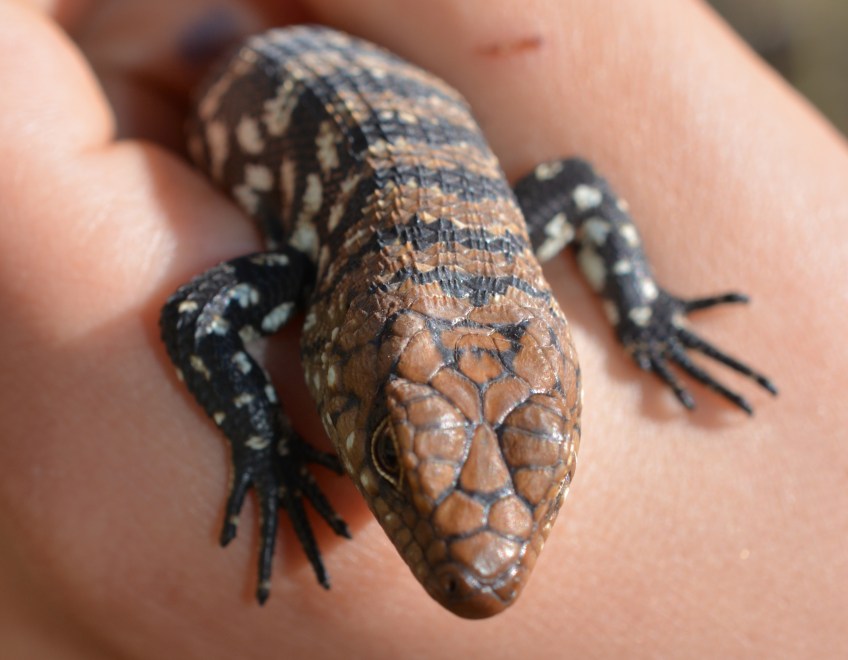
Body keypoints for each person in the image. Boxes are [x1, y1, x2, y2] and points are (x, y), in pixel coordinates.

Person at [1, 0, 845, 657]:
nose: (486, 583)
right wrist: (266, 445)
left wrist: (646, 318)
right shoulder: (332, 273)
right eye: (385, 454)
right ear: (341, 343)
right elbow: (194, 319)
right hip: (269, 71)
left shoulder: (451, 250)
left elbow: (582, 187)